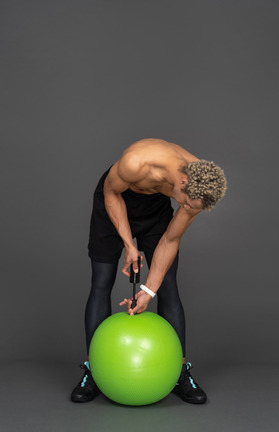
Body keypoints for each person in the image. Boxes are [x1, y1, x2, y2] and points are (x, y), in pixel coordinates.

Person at [71, 138, 227, 404]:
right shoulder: (137, 162)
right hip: (115, 200)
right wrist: (129, 244)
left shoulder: (199, 188)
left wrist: (147, 290)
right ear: (181, 182)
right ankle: (94, 371)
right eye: (187, 204)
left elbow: (170, 240)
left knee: (167, 285)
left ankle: (179, 372)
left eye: (192, 209)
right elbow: (111, 193)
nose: (186, 210)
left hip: (154, 207)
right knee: (101, 281)